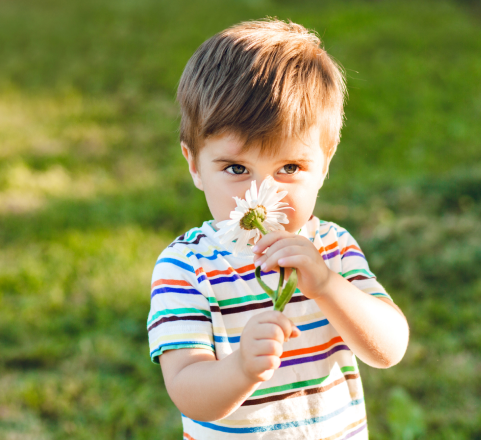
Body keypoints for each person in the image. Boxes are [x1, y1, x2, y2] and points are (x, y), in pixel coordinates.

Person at [147, 18, 409, 439]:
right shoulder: (186, 267)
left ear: (324, 164)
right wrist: (241, 369)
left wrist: (327, 285)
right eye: (236, 169)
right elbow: (187, 390)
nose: (262, 193)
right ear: (194, 164)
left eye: (290, 167)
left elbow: (389, 348)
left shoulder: (333, 249)